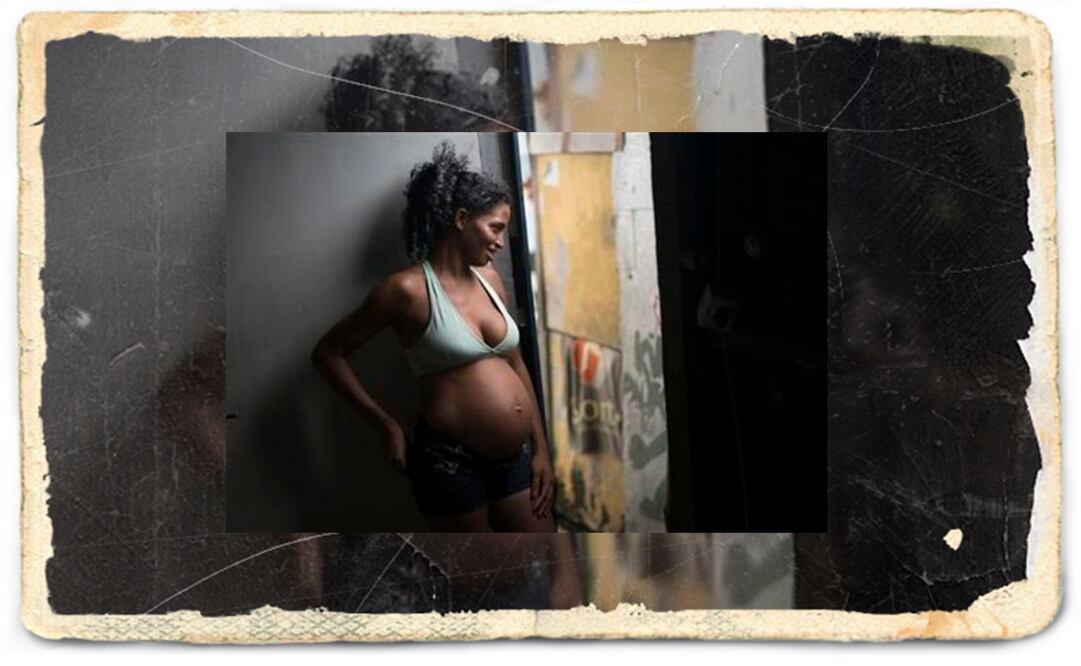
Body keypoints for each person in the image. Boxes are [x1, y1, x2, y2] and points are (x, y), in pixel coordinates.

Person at [311, 141, 555, 532]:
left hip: (517, 457)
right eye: (494, 227)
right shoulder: (404, 291)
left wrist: (541, 449)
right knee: (477, 579)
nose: (499, 241)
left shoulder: (491, 281)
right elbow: (328, 353)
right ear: (461, 219)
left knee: (539, 564)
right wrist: (385, 424)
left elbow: (515, 363)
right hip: (450, 461)